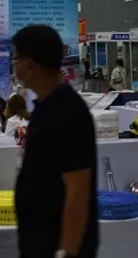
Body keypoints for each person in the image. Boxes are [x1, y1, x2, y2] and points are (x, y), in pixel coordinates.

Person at [13, 24, 98, 258]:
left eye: (16, 59)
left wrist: (67, 252)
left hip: (56, 246)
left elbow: (78, 188)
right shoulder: (45, 107)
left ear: (29, 64)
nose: (14, 66)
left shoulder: (68, 112)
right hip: (39, 242)